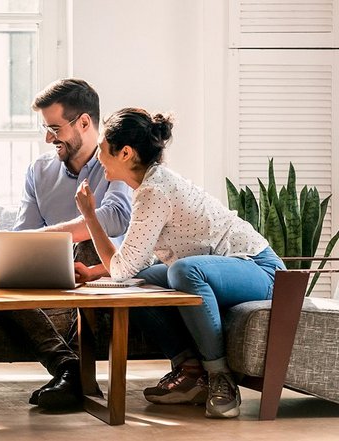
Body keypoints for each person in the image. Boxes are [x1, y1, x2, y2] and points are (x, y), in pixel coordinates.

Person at [74, 107, 285, 419]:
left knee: (184, 270)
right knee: (140, 282)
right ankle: (190, 371)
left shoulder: (154, 190)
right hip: (229, 269)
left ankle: (220, 377)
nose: (98, 155)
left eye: (103, 147)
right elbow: (136, 262)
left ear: (126, 153)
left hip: (261, 270)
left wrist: (90, 216)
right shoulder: (149, 187)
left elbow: (121, 268)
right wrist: (93, 273)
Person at [0, 79, 132, 410]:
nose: (48, 138)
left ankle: (71, 373)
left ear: (84, 122)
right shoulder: (39, 170)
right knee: (1, 276)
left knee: (87, 245)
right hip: (54, 274)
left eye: (55, 128)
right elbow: (24, 234)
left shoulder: (116, 160)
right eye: (46, 128)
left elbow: (116, 217)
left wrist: (49, 237)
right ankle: (68, 367)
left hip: (105, 272)